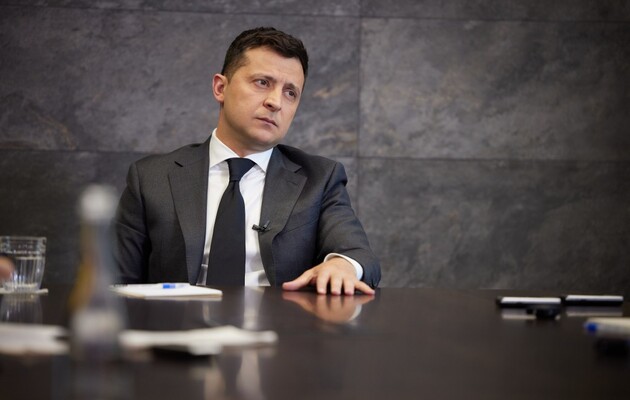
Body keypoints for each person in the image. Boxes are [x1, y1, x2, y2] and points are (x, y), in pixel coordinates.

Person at [114, 27, 380, 295]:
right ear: (221, 88)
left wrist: (342, 265)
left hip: (282, 320)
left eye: (290, 92)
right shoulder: (151, 178)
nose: (275, 102)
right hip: (179, 319)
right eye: (262, 82)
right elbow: (116, 281)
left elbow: (358, 254)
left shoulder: (320, 179)